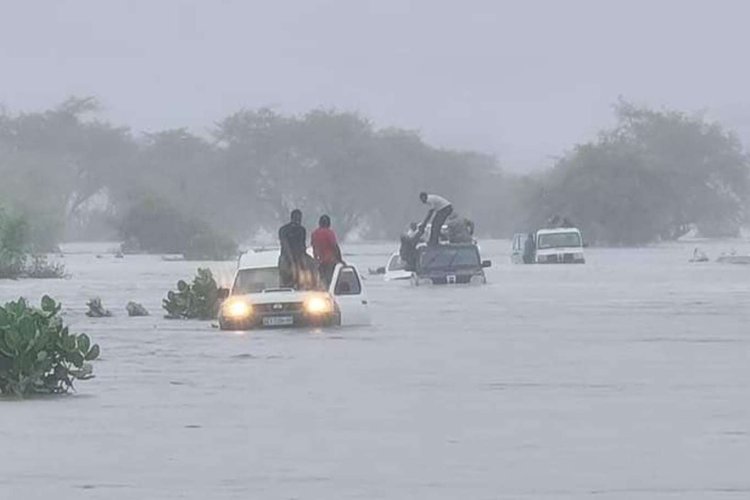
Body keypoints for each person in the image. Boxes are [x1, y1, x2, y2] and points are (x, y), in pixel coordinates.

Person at [311, 214, 343, 287]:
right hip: (330, 261)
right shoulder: (329, 233)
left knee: (322, 279)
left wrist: (316, 259)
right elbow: (334, 246)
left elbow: (314, 247)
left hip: (320, 262)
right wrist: (340, 259)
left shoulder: (314, 233)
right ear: (328, 223)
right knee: (331, 280)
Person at [278, 209, 307, 288]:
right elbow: (285, 244)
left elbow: (302, 246)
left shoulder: (302, 230)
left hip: (298, 257)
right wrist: (291, 259)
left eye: (299, 219)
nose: (298, 221)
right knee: (285, 273)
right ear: (292, 218)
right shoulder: (284, 230)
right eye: (296, 218)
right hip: (286, 257)